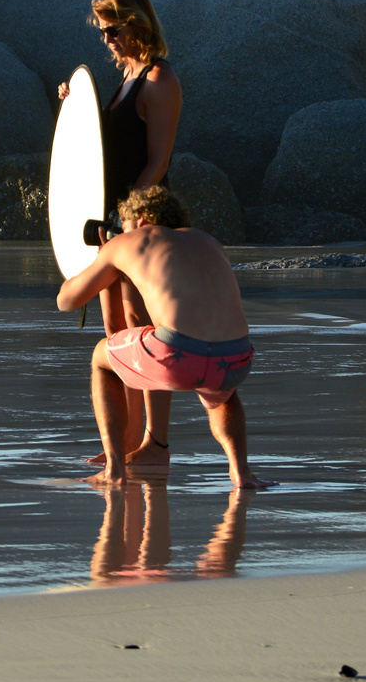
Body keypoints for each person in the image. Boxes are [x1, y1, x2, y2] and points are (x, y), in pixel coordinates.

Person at [56, 186, 271, 489]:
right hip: (235, 360)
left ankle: (114, 469)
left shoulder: (130, 242)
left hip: (179, 357)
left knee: (101, 358)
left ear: (141, 219)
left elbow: (67, 301)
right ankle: (241, 472)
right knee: (223, 394)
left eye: (124, 223)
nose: (122, 231)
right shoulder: (208, 241)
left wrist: (105, 255)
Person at [58, 0, 183, 463]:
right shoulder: (127, 77)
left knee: (144, 327)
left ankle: (155, 443)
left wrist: (128, 220)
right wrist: (75, 105)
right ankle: (128, 440)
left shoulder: (159, 80)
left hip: (141, 221)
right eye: (103, 31)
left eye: (113, 29)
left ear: (137, 24)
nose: (107, 39)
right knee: (115, 331)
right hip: (110, 222)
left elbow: (157, 163)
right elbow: (96, 148)